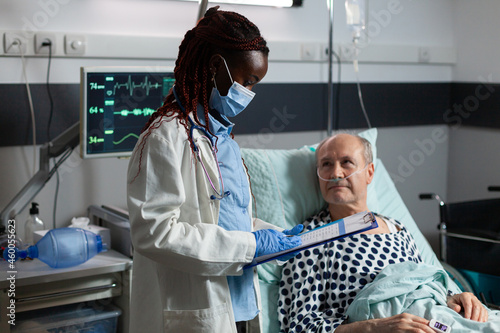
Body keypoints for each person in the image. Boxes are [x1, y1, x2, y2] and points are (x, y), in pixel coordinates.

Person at [126, 7, 302, 333]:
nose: (249, 93)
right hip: (195, 310)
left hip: (240, 304)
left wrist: (268, 235)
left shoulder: (222, 137)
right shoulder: (166, 137)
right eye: (247, 81)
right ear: (214, 67)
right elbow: (154, 232)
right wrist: (251, 245)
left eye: (255, 84)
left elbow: (225, 215)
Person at [278, 133, 492, 333]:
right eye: (326, 164)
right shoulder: (311, 238)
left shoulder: (396, 228)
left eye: (347, 162)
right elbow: (299, 325)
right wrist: (375, 327)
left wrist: (455, 298)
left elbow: (422, 281)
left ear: (369, 173)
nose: (336, 173)